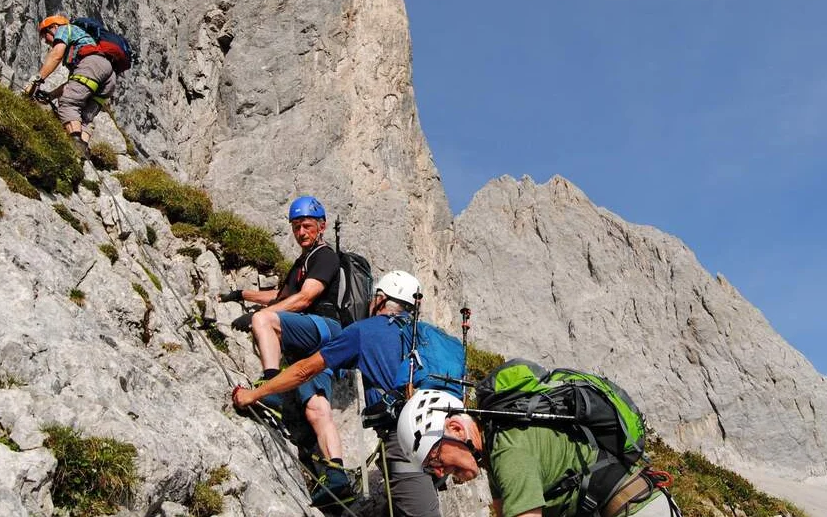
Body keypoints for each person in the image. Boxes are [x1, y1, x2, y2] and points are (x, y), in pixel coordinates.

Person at [233, 270, 452, 516]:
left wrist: (254, 394)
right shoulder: (426, 337)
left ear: (380, 298)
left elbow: (305, 370)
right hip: (445, 440)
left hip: (406, 440)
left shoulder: (364, 330)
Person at [220, 195, 349, 505]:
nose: (301, 232)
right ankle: (336, 473)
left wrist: (259, 318)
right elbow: (279, 296)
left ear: (321, 227)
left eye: (306, 225)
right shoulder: (301, 264)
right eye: (295, 227)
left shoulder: (325, 257)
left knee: (266, 319)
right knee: (316, 406)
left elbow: (304, 299)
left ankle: (270, 388)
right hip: (322, 345)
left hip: (324, 327)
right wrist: (241, 293)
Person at [396, 390, 679, 517]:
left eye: (435, 459)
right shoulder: (494, 455)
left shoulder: (507, 451)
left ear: (456, 428)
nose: (439, 472)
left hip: (635, 509)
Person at [24, 15, 117, 157]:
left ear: (53, 27)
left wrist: (37, 80)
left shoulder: (63, 29)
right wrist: (50, 95)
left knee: (68, 104)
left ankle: (75, 146)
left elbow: (56, 55)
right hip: (109, 76)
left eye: (45, 35)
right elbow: (73, 84)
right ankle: (83, 154)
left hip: (92, 66)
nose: (45, 41)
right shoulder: (83, 43)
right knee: (85, 117)